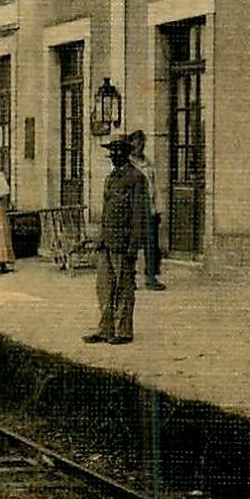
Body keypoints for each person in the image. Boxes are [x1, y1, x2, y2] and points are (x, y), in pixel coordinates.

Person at [88, 136, 150, 345]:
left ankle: (123, 330)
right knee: (104, 287)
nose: (113, 157)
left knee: (124, 286)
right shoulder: (111, 177)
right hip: (107, 241)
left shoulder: (136, 178)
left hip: (123, 242)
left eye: (117, 154)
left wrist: (134, 245)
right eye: (111, 154)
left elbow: (139, 214)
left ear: (125, 155)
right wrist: (101, 238)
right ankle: (105, 329)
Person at [129, 130, 165, 290]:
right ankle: (130, 278)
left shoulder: (149, 164)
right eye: (136, 145)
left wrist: (158, 208)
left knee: (151, 245)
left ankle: (151, 277)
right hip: (134, 211)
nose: (139, 148)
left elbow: (155, 187)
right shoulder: (128, 165)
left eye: (142, 145)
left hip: (149, 208)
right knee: (133, 245)